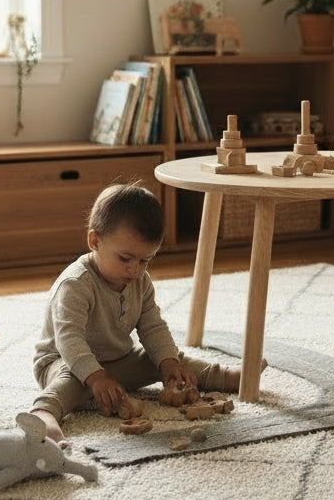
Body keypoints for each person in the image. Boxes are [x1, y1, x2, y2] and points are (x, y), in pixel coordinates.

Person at [30, 182, 238, 443]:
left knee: (163, 357)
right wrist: (96, 378)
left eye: (145, 260)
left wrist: (168, 363)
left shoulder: (140, 281)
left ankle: (220, 375)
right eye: (125, 259)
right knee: (69, 378)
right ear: (95, 241)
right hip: (64, 361)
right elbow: (69, 339)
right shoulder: (75, 284)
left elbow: (153, 326)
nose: (135, 270)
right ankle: (44, 413)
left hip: (118, 361)